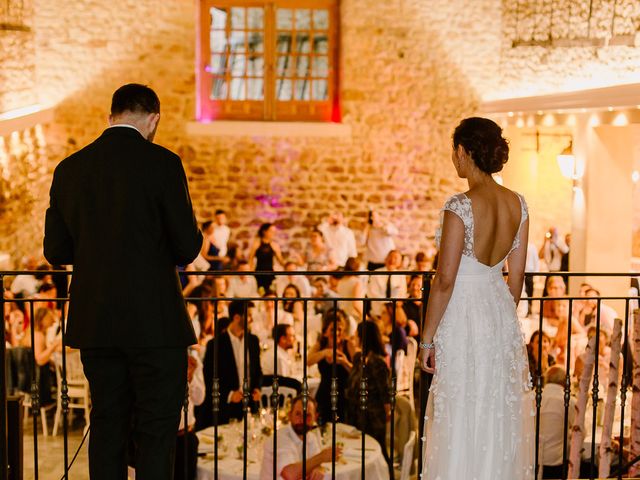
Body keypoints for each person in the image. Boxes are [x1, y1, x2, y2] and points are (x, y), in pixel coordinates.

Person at [43, 84, 203, 480]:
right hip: (155, 325)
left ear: (111, 116)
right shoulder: (164, 164)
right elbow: (187, 247)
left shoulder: (70, 169)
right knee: (155, 431)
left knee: (108, 425)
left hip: (97, 323)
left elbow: (56, 250)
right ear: (153, 119)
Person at [419, 117, 534, 479]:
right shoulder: (519, 204)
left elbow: (445, 280)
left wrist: (426, 340)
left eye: (455, 151)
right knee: (494, 409)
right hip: (499, 312)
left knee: (461, 408)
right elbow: (515, 279)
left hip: (462, 314)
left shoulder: (460, 205)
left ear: (465, 151)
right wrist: (498, 313)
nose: (453, 158)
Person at [200, 300, 262, 428]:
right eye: (249, 316)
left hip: (250, 405)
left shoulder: (253, 341)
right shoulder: (215, 344)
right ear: (237, 317)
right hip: (226, 408)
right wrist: (229, 395)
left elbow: (257, 371)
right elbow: (208, 377)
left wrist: (257, 388)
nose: (251, 320)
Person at [345, 320, 393, 477]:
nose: (353, 338)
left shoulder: (377, 362)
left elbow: (385, 391)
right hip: (356, 413)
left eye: (356, 335)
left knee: (376, 451)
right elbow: (356, 378)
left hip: (372, 416)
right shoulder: (359, 358)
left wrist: (387, 413)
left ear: (362, 337)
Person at [260, 395, 341, 480]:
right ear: (290, 415)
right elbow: (289, 474)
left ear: (315, 417)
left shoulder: (311, 437)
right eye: (298, 414)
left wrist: (318, 468)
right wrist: (322, 457)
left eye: (308, 415)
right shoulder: (279, 438)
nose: (302, 419)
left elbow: (316, 464)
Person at [307, 309, 354, 424]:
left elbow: (357, 371)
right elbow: (308, 361)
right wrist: (324, 353)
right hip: (324, 395)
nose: (337, 333)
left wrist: (345, 362)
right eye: (333, 330)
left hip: (344, 396)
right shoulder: (320, 345)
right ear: (325, 332)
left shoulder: (348, 345)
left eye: (340, 329)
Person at [539, 366, 575, 479]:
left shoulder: (534, 397)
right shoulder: (568, 401)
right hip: (557, 463)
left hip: (533, 459)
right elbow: (579, 431)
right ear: (565, 382)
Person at [366, 250, 407, 318]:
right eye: (390, 257)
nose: (392, 260)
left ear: (400, 262)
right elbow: (372, 293)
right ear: (386, 258)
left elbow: (402, 294)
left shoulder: (401, 276)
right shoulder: (376, 273)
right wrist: (387, 304)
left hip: (394, 313)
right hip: (378, 312)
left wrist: (393, 305)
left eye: (395, 258)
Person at [248, 223, 285, 294]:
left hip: (270, 274)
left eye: (274, 232)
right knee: (260, 293)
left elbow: (281, 261)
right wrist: (250, 272)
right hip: (258, 273)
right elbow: (250, 259)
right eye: (271, 231)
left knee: (270, 293)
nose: (273, 233)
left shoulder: (274, 245)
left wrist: (289, 267)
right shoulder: (256, 243)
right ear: (264, 231)